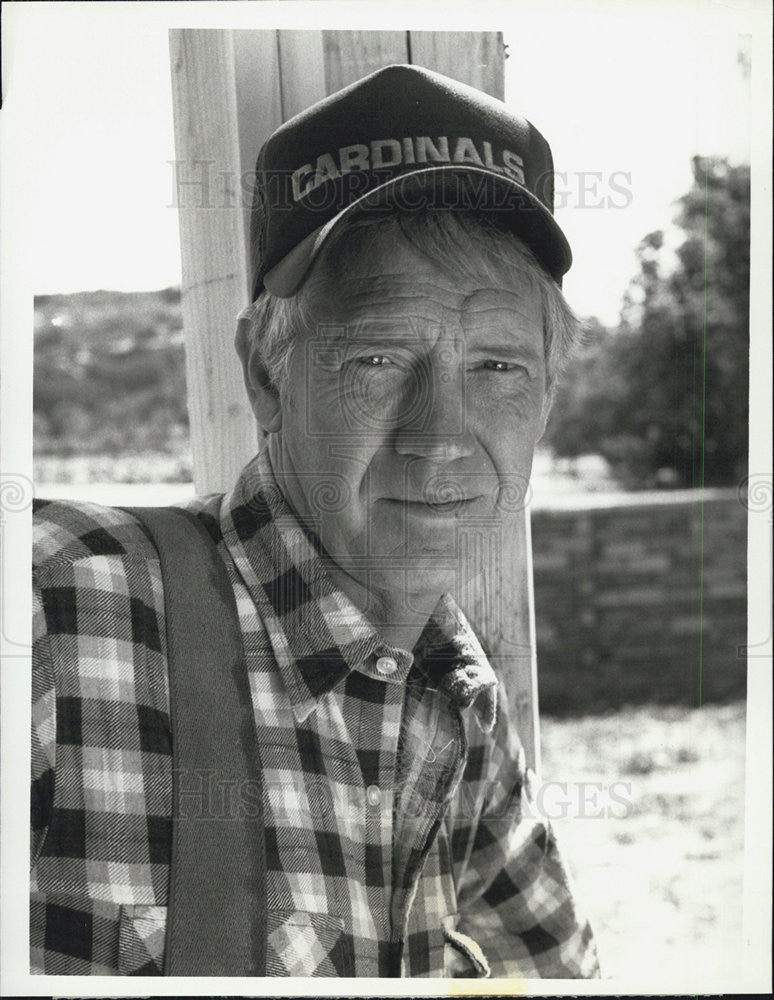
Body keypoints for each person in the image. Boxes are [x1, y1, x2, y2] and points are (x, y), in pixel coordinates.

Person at [31, 64, 600, 978]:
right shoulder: (62, 602)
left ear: (547, 397)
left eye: (498, 368)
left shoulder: (460, 703)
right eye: (378, 356)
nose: (441, 438)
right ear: (266, 371)